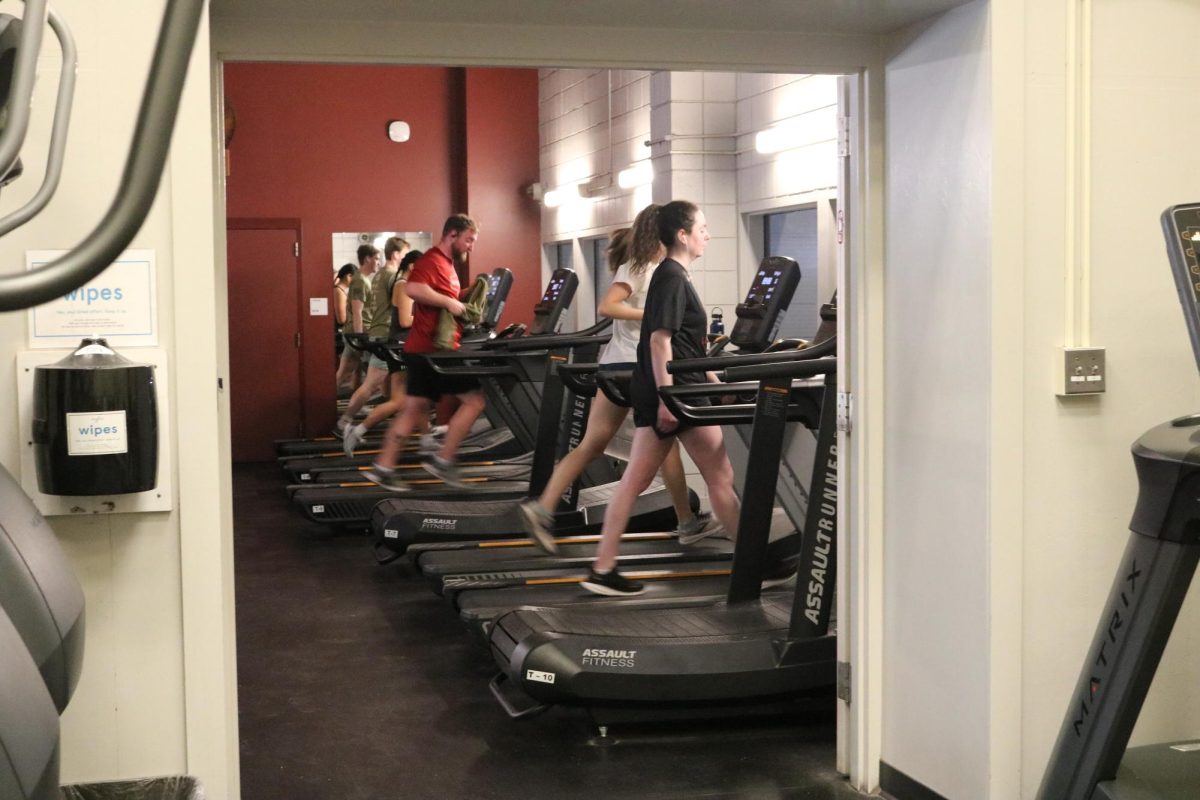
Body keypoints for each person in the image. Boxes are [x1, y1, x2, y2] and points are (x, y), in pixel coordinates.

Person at [517, 207, 718, 555]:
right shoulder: (645, 268)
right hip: (633, 368)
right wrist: (654, 314)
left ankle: (542, 507)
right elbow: (607, 306)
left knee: (595, 443)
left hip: (614, 366)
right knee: (664, 444)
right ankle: (687, 522)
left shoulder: (651, 268)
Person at [581, 200, 740, 597]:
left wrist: (712, 377)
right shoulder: (672, 277)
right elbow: (659, 341)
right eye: (702, 227)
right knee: (721, 478)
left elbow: (686, 343)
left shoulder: (673, 275)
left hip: (673, 392)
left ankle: (602, 568)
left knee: (635, 481)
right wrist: (670, 400)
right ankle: (749, 561)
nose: (708, 234)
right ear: (682, 235)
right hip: (675, 397)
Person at [366, 214, 487, 491]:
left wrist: (465, 298)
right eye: (469, 240)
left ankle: (383, 467)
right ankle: (443, 461)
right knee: (475, 401)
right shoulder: (432, 260)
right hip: (435, 351)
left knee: (412, 410)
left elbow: (439, 297)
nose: (471, 247)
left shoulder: (446, 265)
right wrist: (449, 302)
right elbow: (413, 288)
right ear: (452, 235)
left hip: (422, 350)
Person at [342, 249, 433, 455]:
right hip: (401, 348)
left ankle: (427, 440)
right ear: (412, 266)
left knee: (420, 395)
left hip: (405, 346)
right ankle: (356, 431)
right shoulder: (403, 286)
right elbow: (405, 321)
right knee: (398, 400)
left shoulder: (408, 285)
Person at [335, 237, 408, 437]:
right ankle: (345, 422)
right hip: (385, 333)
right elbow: (400, 304)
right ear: (395, 254)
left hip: (377, 332)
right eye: (403, 255)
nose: (405, 259)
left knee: (384, 387)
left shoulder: (378, 276)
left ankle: (394, 423)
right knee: (371, 383)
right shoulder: (393, 276)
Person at [334, 244, 380, 396]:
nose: (379, 262)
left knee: (347, 372)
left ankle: (356, 403)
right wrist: (360, 338)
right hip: (357, 334)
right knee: (374, 374)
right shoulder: (360, 280)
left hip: (354, 333)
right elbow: (357, 312)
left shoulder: (362, 279)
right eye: (377, 259)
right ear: (368, 259)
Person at [333, 262, 356, 362]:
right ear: (349, 276)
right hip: (340, 335)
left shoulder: (338, 290)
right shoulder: (339, 292)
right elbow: (341, 319)